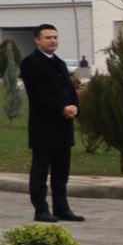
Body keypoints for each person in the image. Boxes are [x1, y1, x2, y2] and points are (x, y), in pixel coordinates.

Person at [20, 24, 82, 223]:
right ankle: (41, 210)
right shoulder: (31, 63)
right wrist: (60, 109)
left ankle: (62, 208)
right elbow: (38, 95)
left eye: (55, 37)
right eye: (48, 37)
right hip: (43, 127)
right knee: (40, 171)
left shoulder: (60, 63)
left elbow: (69, 89)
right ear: (37, 40)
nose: (53, 41)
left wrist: (74, 106)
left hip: (63, 127)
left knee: (61, 172)